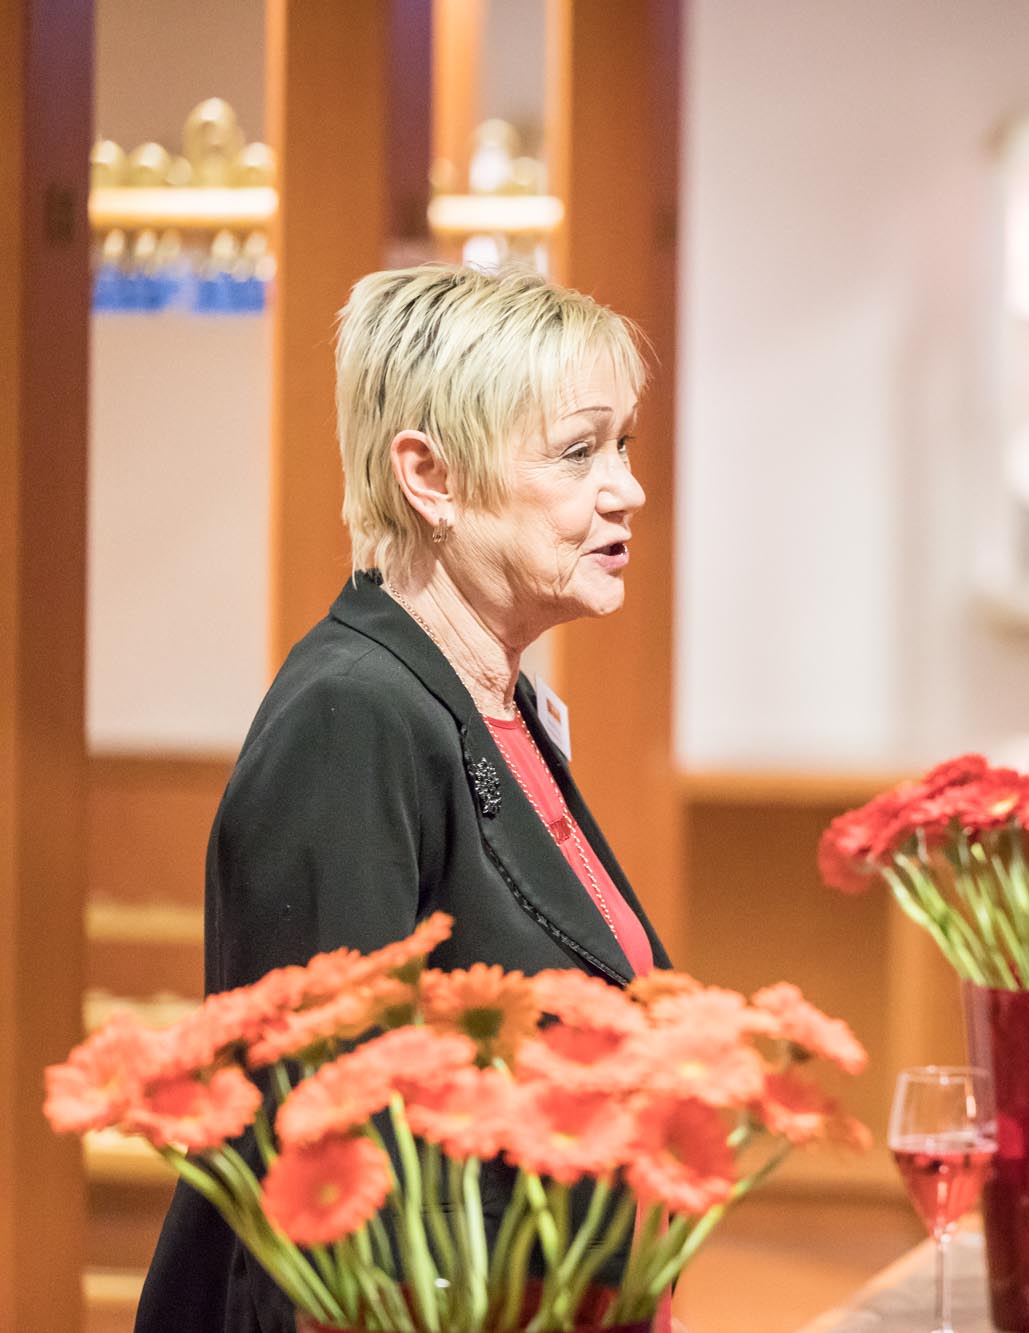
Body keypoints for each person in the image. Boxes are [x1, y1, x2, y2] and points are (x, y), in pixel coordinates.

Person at [136, 265, 671, 1333]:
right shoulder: (353, 717)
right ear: (430, 477)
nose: (626, 490)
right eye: (578, 452)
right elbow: (323, 1147)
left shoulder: (491, 702)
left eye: (622, 445)